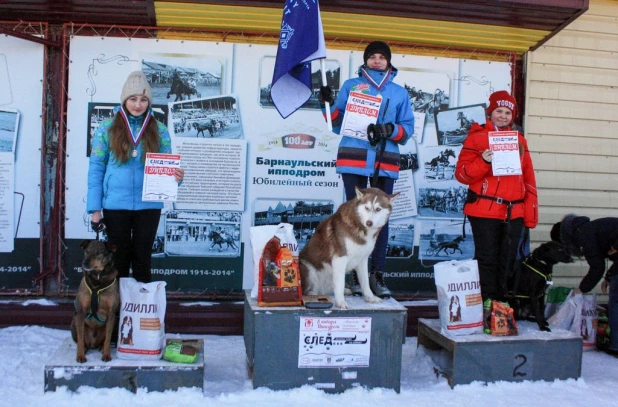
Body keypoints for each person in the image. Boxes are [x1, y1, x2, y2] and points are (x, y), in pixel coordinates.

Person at [318, 41, 414, 298]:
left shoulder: (399, 92)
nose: (377, 61)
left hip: (386, 158)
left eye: (382, 57)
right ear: (366, 61)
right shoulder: (351, 86)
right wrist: (326, 104)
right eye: (372, 56)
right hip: (355, 156)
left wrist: (388, 130)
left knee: (380, 219)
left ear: (389, 62)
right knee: (352, 218)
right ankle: (352, 275)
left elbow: (408, 128)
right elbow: (336, 124)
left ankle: (377, 275)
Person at [87, 70, 184, 283]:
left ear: (149, 102)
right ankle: (117, 313)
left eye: (143, 99)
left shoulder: (159, 129)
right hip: (115, 206)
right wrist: (95, 209)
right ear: (124, 100)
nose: (138, 105)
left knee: (142, 261)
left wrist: (177, 176)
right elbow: (96, 169)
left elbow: (167, 164)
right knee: (118, 262)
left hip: (148, 206)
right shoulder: (107, 128)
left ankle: (141, 313)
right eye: (133, 99)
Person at [454, 90, 538, 319]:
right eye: (498, 111)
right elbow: (462, 175)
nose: (502, 115)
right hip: (484, 211)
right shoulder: (476, 138)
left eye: (507, 112)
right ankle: (486, 305)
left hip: (514, 212)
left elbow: (529, 179)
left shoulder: (520, 141)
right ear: (489, 113)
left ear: (513, 115)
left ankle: (502, 306)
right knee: (487, 260)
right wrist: (483, 161)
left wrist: (530, 214)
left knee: (509, 260)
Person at [550, 214, 618, 356]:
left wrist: (581, 289)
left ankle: (615, 346)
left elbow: (597, 267)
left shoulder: (584, 237)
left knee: (616, 302)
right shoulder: (585, 229)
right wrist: (609, 276)